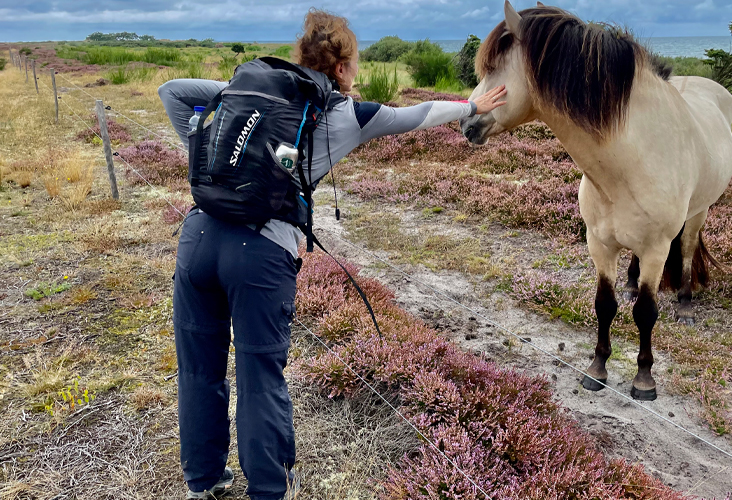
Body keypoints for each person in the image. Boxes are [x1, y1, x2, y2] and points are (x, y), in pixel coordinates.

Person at [159, 8, 506, 500]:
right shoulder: (348, 115)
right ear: (341, 68)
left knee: (198, 368)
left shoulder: (248, 93)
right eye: (355, 63)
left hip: (196, 237)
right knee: (259, 375)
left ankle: (204, 481)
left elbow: (171, 92)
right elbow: (420, 115)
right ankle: (269, 489)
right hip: (259, 250)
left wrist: (205, 154)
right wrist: (473, 106)